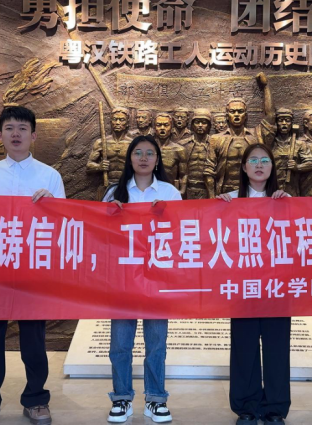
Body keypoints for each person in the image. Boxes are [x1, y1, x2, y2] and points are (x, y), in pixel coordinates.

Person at [0, 106, 65, 426]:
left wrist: (53, 206)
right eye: (9, 128)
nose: (16, 134)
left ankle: (36, 399)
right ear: (0, 135)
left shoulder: (50, 176)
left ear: (33, 136)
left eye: (22, 128)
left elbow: (65, 225)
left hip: (33, 268)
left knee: (33, 338)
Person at [103, 135, 182, 424]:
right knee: (120, 344)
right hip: (122, 279)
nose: (144, 158)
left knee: (156, 343)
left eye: (150, 153)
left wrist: (167, 216)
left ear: (158, 160)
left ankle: (156, 399)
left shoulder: (170, 193)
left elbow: (183, 234)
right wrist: (110, 216)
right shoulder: (115, 192)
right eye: (138, 153)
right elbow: (100, 236)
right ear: (130, 158)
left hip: (157, 278)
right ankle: (121, 398)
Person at [216, 143, 292, 426]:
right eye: (253, 160)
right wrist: (217, 208)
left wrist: (290, 205)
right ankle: (246, 406)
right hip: (243, 288)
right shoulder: (230, 200)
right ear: (244, 167)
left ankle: (274, 408)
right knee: (244, 348)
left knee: (277, 348)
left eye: (265, 160)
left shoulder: (285, 200)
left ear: (272, 167)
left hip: (276, 288)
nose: (259, 165)